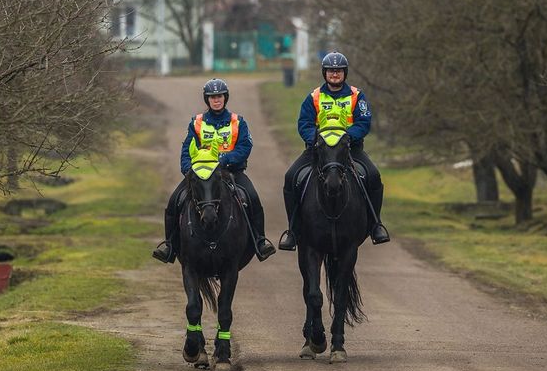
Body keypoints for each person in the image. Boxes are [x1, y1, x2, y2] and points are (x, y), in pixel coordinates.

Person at [153, 78, 277, 263]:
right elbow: (187, 149)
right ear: (207, 99)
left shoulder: (238, 122)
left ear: (225, 98)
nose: (216, 100)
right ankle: (169, 246)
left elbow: (244, 146)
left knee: (252, 198)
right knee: (174, 201)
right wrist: (188, 170)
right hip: (201, 176)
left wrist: (225, 160)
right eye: (212, 97)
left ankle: (260, 241)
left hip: (231, 173)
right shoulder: (197, 122)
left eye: (219, 96)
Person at [277, 52, 390, 251]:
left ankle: (376, 225)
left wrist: (346, 138)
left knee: (373, 176)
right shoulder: (314, 97)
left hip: (349, 150)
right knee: (291, 177)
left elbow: (363, 122)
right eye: (331, 71)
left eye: (338, 71)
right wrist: (316, 140)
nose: (335, 74)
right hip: (318, 151)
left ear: (344, 73)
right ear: (325, 73)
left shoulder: (357, 95)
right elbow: (304, 124)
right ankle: (293, 230)